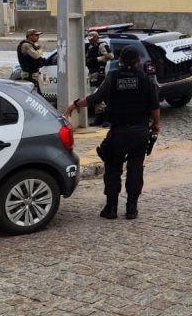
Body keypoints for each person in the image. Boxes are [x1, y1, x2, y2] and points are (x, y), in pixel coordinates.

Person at [64, 46, 160, 220]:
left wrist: (75, 104)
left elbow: (95, 98)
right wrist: (156, 125)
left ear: (120, 61)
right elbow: (154, 107)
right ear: (138, 61)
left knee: (113, 169)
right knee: (135, 169)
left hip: (119, 132)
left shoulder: (113, 78)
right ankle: (132, 208)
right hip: (140, 132)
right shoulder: (146, 80)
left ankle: (111, 208)